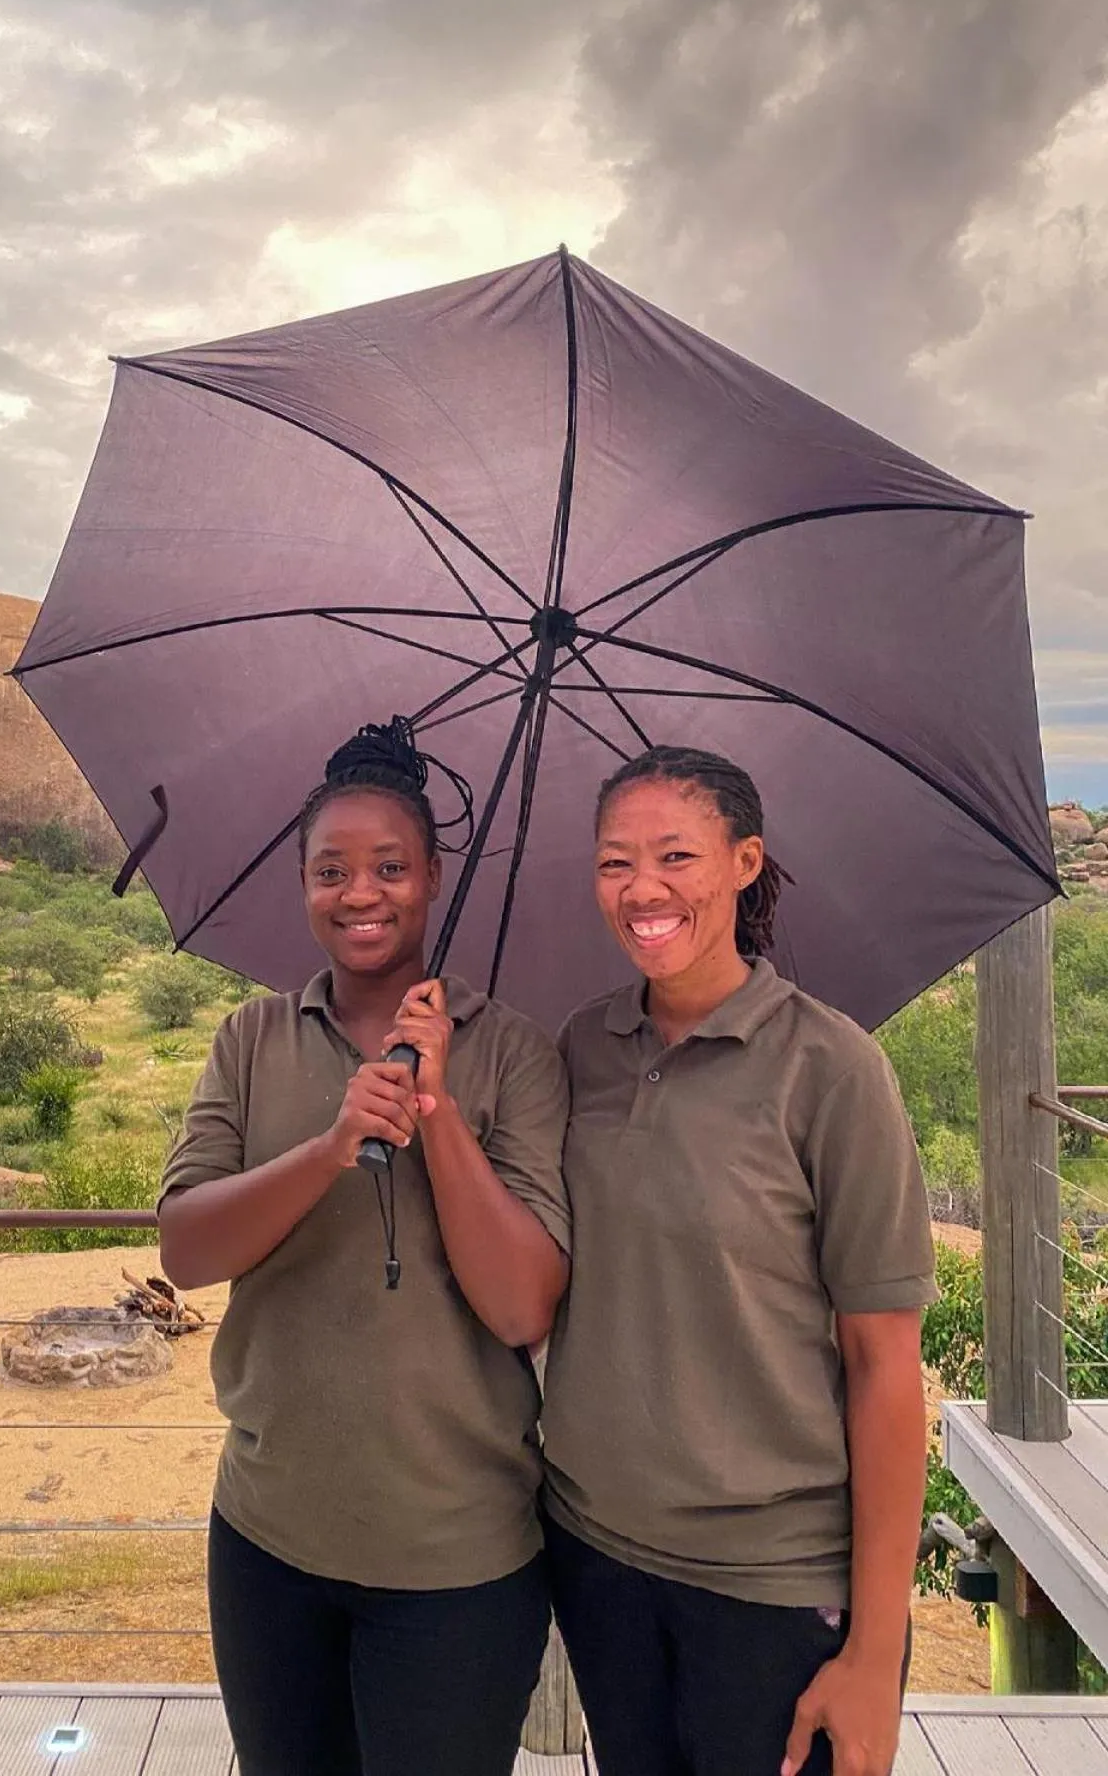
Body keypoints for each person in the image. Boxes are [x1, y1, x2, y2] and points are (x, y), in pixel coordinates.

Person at [157, 717, 572, 1776]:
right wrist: (334, 1143)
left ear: (435, 877)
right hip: (266, 1540)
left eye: (390, 867)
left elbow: (524, 1305)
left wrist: (435, 1108)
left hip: (459, 1566)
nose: (360, 893)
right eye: (330, 870)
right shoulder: (250, 1039)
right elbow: (188, 1248)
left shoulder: (516, 1054)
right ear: (300, 885)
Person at [541, 745, 935, 1776]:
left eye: (676, 855)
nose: (643, 890)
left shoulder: (831, 1068)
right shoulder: (582, 1048)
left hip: (775, 1585)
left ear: (746, 860)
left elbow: (888, 1368)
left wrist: (875, 1648)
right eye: (614, 863)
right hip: (598, 1556)